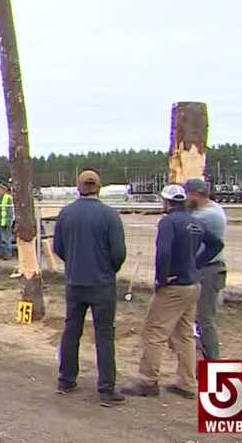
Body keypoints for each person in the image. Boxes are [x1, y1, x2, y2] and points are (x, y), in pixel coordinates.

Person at [121, 184, 224, 398]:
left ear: (166, 202)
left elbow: (163, 252)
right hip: (193, 285)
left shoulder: (168, 222)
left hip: (174, 286)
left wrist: (162, 278)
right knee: (185, 334)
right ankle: (187, 382)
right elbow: (216, 245)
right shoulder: (195, 222)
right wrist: (196, 264)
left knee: (154, 332)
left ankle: (148, 380)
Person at [53, 170, 128, 406]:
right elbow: (119, 253)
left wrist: (74, 263)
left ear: (78, 188)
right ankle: (106, 389)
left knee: (71, 330)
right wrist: (107, 270)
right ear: (99, 187)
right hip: (102, 284)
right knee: (104, 335)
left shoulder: (66, 214)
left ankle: (66, 379)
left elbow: (58, 247)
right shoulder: (109, 215)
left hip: (75, 282)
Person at [185, 178, 227, 360]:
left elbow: (181, 222)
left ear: (195, 195)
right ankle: (200, 360)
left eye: (186, 195)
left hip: (209, 271)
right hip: (205, 269)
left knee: (205, 319)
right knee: (197, 318)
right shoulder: (208, 209)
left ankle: (212, 363)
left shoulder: (207, 215)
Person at [0, 184, 15, 259]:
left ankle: (8, 254)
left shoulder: (8, 198)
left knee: (6, 239)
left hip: (4, 222)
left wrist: (8, 222)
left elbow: (10, 211)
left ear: (3, 190)